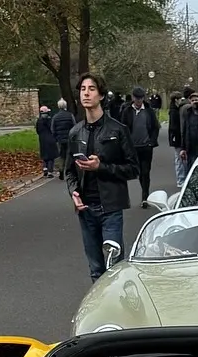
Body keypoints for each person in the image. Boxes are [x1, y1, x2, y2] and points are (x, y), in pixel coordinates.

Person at [65, 72, 138, 283]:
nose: (86, 93)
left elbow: (133, 168)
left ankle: (119, 309)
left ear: (101, 96)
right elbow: (68, 171)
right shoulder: (75, 133)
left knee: (114, 267)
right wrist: (73, 193)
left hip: (111, 208)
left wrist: (101, 167)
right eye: (83, 89)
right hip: (86, 209)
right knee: (96, 269)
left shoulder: (118, 130)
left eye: (92, 89)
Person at [126, 85, 159, 207]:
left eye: (141, 98)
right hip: (133, 147)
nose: (139, 101)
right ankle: (144, 192)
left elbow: (155, 127)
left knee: (146, 171)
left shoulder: (149, 111)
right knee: (139, 172)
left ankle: (145, 196)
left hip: (146, 146)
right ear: (133, 98)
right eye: (137, 98)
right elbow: (123, 128)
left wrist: (152, 141)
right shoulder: (127, 111)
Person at [177, 87, 198, 183]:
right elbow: (184, 130)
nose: (195, 102)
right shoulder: (187, 113)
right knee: (190, 170)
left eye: (197, 100)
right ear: (190, 101)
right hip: (190, 147)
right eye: (193, 100)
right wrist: (183, 148)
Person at [50, 97, 74, 179]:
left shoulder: (55, 117)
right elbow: (74, 127)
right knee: (70, 154)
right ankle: (69, 170)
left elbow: (53, 129)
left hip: (60, 139)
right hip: (69, 139)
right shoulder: (70, 115)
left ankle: (61, 169)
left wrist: (55, 137)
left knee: (61, 155)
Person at [167, 91, 183, 186]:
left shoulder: (174, 110)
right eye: (180, 99)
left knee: (179, 159)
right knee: (179, 159)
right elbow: (174, 126)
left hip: (175, 137)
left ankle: (180, 179)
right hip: (177, 137)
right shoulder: (174, 111)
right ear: (176, 100)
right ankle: (180, 180)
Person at [35, 104, 56, 177]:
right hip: (50, 139)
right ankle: (50, 171)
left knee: (44, 155)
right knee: (51, 156)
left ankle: (45, 168)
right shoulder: (50, 120)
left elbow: (37, 130)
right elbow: (52, 129)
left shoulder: (39, 121)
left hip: (42, 139)